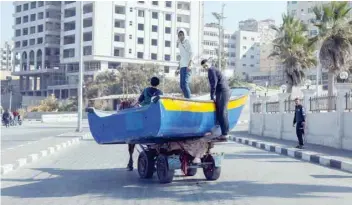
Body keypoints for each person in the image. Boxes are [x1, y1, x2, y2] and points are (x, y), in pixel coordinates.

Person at [125, 77, 163, 171]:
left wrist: (133, 106)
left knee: (133, 125)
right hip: (155, 116)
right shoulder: (160, 93)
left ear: (150, 82)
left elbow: (139, 101)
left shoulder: (146, 90)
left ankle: (130, 161)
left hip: (144, 114)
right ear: (158, 84)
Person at [201, 59, 231, 142]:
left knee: (222, 112)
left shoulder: (211, 70)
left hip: (222, 91)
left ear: (209, 64)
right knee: (220, 112)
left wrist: (211, 96)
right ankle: (223, 133)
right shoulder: (211, 70)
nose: (206, 68)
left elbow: (213, 83)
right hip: (222, 92)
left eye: (206, 65)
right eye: (204, 67)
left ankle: (225, 134)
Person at [177, 28, 193, 99]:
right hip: (182, 66)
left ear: (184, 35)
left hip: (187, 66)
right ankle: (187, 98)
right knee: (181, 85)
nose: (180, 36)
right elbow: (181, 57)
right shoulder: (179, 44)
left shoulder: (188, 42)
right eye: (179, 35)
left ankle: (189, 100)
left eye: (181, 34)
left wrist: (189, 65)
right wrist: (178, 67)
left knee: (185, 84)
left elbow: (192, 53)